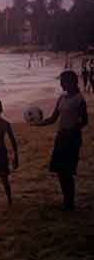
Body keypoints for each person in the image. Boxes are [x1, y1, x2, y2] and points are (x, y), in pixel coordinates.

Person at [37, 71, 88, 210]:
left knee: (67, 171)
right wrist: (39, 123)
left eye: (62, 81)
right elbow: (53, 118)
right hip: (61, 137)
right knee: (60, 170)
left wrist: (72, 129)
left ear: (71, 82)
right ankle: (66, 199)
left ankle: (69, 202)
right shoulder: (61, 98)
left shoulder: (79, 99)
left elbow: (84, 121)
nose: (60, 84)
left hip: (72, 138)